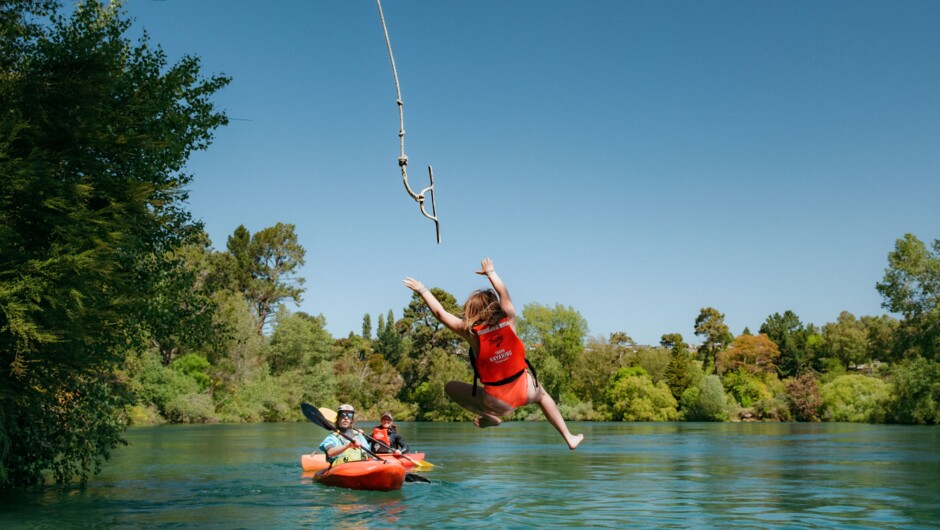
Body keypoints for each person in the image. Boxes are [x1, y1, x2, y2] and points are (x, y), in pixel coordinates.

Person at [403, 258, 584, 450]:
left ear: (471, 312)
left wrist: (422, 290)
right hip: (525, 389)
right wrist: (491, 272)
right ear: (495, 307)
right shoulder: (510, 320)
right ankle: (568, 437)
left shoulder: (472, 333)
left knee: (450, 387)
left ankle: (490, 418)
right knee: (544, 397)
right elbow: (503, 293)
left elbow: (440, 313)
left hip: (497, 401)